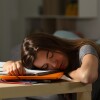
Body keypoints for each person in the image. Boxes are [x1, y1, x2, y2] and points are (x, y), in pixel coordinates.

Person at [2, 32, 100, 100]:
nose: (54, 64)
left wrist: (67, 74)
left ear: (55, 44)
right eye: (45, 66)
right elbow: (9, 64)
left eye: (51, 55)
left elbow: (87, 76)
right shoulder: (40, 62)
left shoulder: (85, 49)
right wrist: (11, 64)